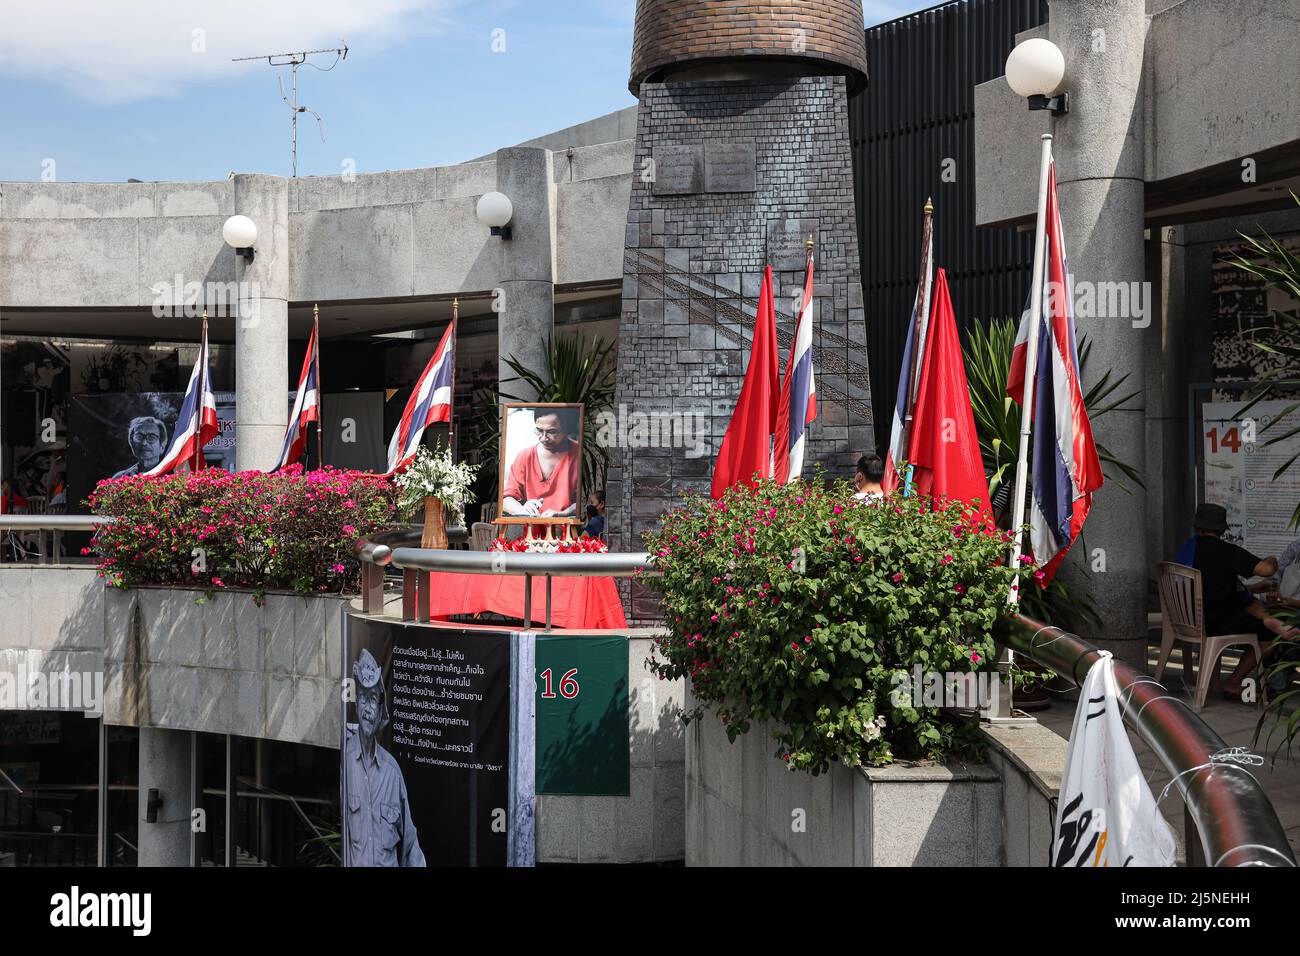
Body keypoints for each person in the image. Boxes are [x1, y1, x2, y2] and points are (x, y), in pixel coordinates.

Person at [1174, 503, 1297, 698]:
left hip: (1188, 619)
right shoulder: (1226, 551)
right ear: (1222, 530)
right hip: (1217, 622)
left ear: (1197, 527)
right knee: (1267, 634)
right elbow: (1267, 570)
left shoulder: (1186, 549)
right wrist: (1273, 558)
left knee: (1243, 598)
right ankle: (1234, 682)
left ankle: (1213, 682)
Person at [342, 649, 425, 867]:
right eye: (362, 699)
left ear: (381, 710)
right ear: (356, 706)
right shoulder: (345, 761)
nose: (368, 709)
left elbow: (410, 844)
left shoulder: (392, 772)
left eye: (373, 700)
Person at [502, 408, 581, 518]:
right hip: (532, 533)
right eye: (539, 430)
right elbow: (506, 499)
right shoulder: (525, 456)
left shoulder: (579, 453)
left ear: (567, 429)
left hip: (570, 531)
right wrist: (522, 509)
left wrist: (562, 514)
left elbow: (588, 501)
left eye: (552, 432)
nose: (543, 438)